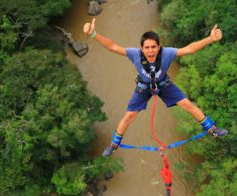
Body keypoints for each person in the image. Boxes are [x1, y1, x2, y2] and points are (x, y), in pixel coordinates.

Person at [83, 18, 228, 157]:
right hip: (143, 86)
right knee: (129, 116)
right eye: (147, 48)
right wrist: (94, 34)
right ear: (141, 48)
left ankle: (212, 129)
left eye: (153, 47)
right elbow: (112, 47)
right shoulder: (135, 54)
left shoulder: (167, 53)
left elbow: (189, 49)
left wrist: (210, 39)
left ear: (159, 47)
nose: (151, 51)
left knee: (186, 104)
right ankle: (114, 144)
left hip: (164, 84)